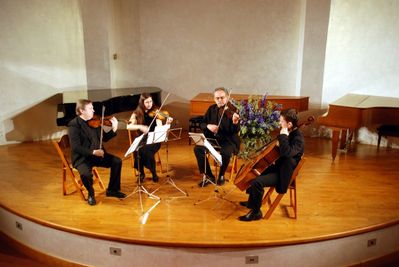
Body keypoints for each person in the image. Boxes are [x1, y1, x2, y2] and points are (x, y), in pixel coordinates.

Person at [238, 108, 304, 221]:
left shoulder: (298, 139)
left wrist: (283, 136)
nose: (279, 123)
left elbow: (286, 152)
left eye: (281, 121)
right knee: (254, 172)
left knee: (257, 182)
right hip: (278, 167)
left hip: (283, 173)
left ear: (289, 124)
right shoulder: (289, 132)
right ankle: (252, 202)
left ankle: (256, 212)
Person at [68, 99, 126, 206]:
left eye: (93, 108)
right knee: (85, 174)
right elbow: (76, 147)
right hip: (82, 158)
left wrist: (114, 129)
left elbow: (104, 139)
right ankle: (91, 193)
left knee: (117, 161)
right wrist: (93, 152)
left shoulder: (95, 122)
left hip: (97, 155)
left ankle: (112, 190)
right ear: (81, 110)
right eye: (90, 108)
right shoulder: (74, 125)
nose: (93, 110)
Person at [194, 87, 240, 187]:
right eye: (217, 98)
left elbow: (235, 131)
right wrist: (208, 126)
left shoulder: (234, 110)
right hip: (212, 138)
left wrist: (235, 122)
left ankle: (221, 175)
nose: (219, 100)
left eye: (222, 98)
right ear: (214, 99)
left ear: (227, 98)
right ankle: (209, 175)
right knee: (198, 149)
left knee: (226, 153)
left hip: (228, 140)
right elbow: (202, 123)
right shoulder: (211, 109)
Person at [127, 93, 173, 183]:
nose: (149, 104)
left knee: (145, 150)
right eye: (147, 102)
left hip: (154, 139)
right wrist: (140, 127)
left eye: (151, 101)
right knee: (140, 149)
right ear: (142, 103)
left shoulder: (156, 112)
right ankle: (144, 173)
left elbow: (159, 128)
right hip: (142, 139)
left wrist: (167, 124)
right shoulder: (137, 113)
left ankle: (151, 173)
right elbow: (128, 126)